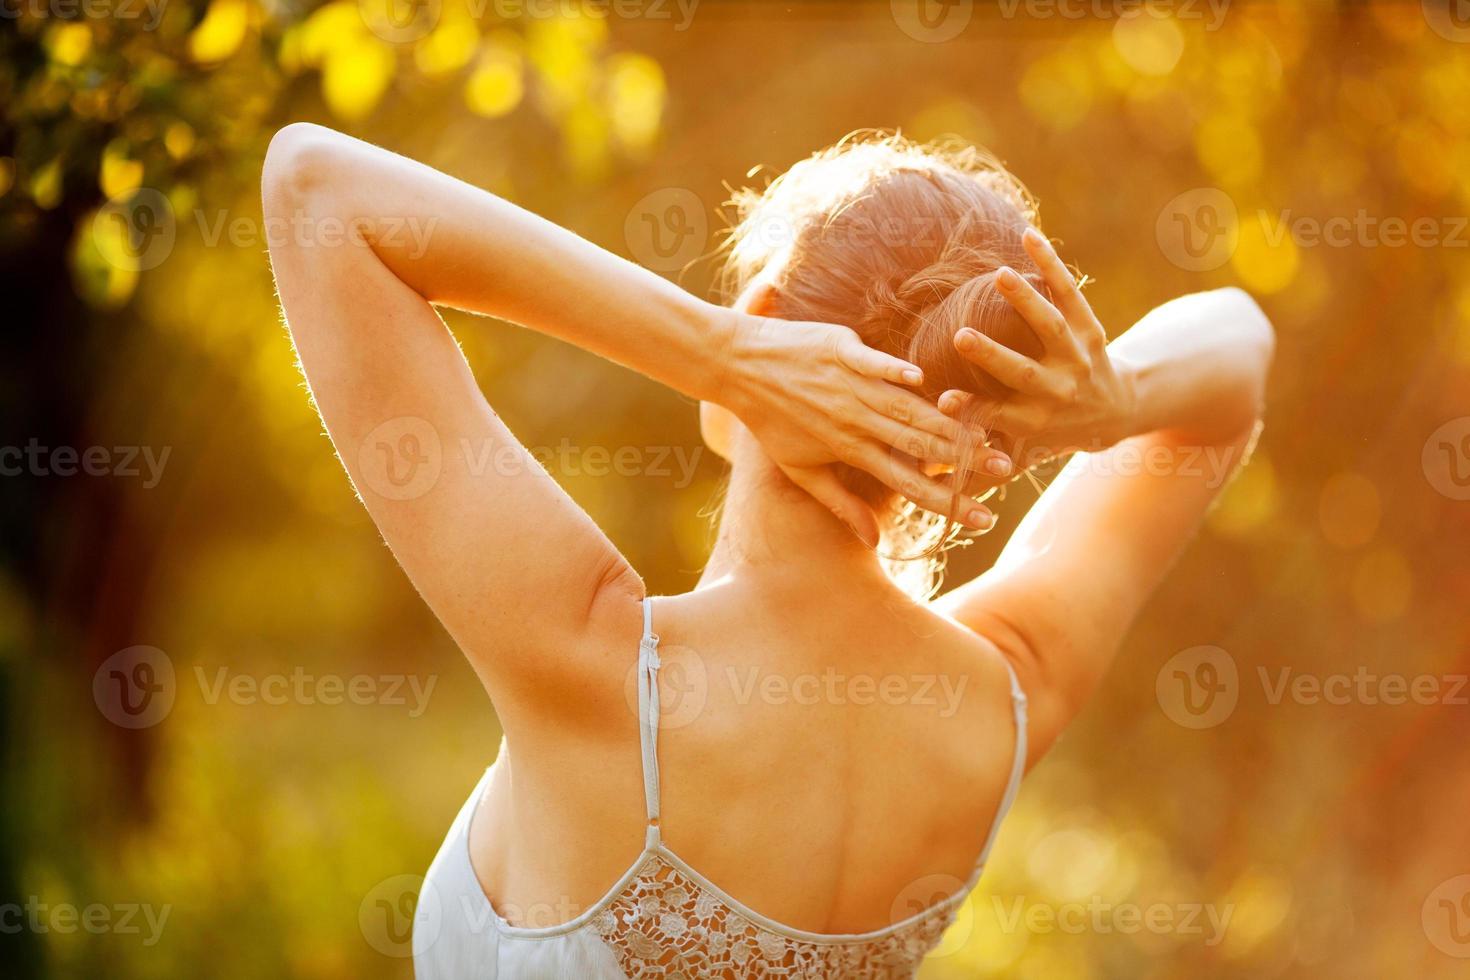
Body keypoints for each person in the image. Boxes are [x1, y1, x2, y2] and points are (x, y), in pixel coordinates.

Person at [262, 127, 1274, 978]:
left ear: (764, 326)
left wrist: (714, 352)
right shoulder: (1007, 692)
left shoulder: (591, 660)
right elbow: (1237, 352)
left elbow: (315, 185)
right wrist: (1111, 402)